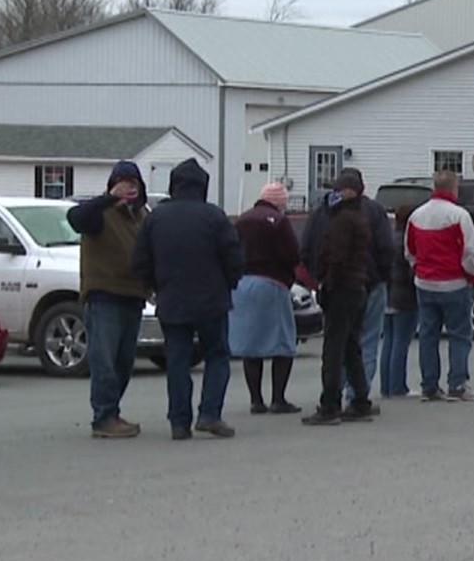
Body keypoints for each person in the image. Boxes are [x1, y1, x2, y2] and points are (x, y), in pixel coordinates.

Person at [133, 159, 244, 439]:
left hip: (172, 299)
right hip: (212, 299)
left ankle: (179, 421)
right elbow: (234, 257)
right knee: (217, 356)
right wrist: (228, 284)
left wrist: (153, 288)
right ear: (202, 186)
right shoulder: (215, 216)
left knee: (177, 361)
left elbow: (140, 260)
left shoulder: (156, 218)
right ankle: (209, 414)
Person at [67, 160, 151, 438]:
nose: (129, 188)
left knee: (124, 362)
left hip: (134, 296)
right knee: (104, 359)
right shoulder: (99, 214)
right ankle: (103, 417)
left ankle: (112, 412)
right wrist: (108, 199)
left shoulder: (143, 217)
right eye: (123, 182)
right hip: (104, 295)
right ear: (112, 185)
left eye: (134, 183)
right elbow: (75, 218)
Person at [302, 167, 393, 411]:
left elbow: (311, 248)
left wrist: (320, 279)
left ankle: (334, 398)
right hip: (365, 284)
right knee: (361, 342)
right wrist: (380, 277)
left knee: (337, 344)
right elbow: (386, 249)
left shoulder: (327, 215)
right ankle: (358, 396)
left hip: (341, 285)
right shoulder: (370, 212)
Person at [405, 171, 474, 402]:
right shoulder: (459, 216)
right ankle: (457, 384)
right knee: (459, 334)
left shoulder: (416, 216)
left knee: (428, 335)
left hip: (426, 283)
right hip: (454, 283)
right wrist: (470, 275)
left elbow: (409, 251)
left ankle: (430, 385)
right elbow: (471, 251)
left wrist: (418, 270)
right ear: (453, 188)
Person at [230, 181, 302, 415]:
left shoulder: (242, 220)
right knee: (282, 341)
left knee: (251, 344)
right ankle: (278, 398)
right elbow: (292, 254)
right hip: (272, 282)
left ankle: (256, 400)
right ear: (280, 202)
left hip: (241, 283)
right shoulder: (279, 222)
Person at [380, 205, 417, 398]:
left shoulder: (389, 239)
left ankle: (386, 385)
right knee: (401, 342)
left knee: (389, 341)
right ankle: (397, 386)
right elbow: (411, 269)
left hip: (388, 293)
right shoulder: (407, 242)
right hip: (404, 296)